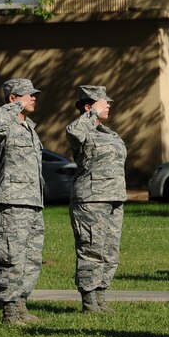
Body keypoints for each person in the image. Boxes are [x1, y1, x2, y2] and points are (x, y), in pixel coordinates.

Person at [0, 78, 45, 326]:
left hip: (32, 202)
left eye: (33, 94)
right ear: (12, 99)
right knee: (11, 257)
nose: (33, 98)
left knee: (31, 259)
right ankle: (9, 311)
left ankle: (21, 305)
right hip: (11, 202)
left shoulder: (30, 127)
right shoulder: (2, 124)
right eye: (27, 94)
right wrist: (12, 107)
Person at [66, 85, 126, 313]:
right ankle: (89, 300)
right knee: (91, 249)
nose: (109, 104)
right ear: (88, 106)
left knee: (110, 251)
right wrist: (90, 115)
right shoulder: (81, 130)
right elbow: (73, 131)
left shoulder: (110, 133)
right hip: (91, 200)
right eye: (103, 102)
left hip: (113, 199)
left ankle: (101, 296)